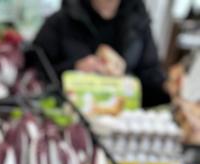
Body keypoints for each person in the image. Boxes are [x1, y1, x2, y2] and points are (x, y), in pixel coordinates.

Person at [33, 0, 170, 107]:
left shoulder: (139, 25)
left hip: (124, 128)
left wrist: (168, 89)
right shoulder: (60, 22)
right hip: (68, 123)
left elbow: (151, 80)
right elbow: (32, 75)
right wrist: (74, 69)